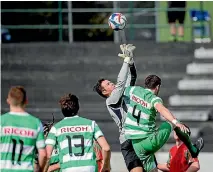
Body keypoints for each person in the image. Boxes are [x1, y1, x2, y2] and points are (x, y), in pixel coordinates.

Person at [123, 75, 204, 172]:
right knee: (171, 122)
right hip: (147, 140)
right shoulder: (153, 98)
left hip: (135, 143)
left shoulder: (133, 90)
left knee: (152, 168)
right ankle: (193, 149)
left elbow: (121, 90)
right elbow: (162, 109)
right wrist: (175, 122)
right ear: (157, 87)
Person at [93, 44, 143, 172]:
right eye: (109, 84)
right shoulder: (111, 101)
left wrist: (131, 62)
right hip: (128, 140)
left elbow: (132, 78)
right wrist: (125, 61)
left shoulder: (121, 92)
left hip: (138, 135)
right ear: (104, 92)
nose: (112, 83)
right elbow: (121, 82)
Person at [44, 93, 111, 172]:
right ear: (78, 107)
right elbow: (106, 148)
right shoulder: (91, 124)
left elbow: (47, 156)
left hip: (68, 168)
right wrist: (106, 166)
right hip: (89, 168)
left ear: (62, 110)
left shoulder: (56, 128)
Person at [0, 86, 47, 172]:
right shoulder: (35, 123)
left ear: (8, 101)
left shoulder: (2, 121)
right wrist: (40, 170)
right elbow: (43, 154)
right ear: (26, 101)